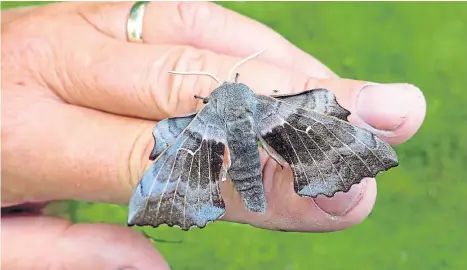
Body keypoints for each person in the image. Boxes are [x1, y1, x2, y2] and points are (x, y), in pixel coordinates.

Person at [1, 1, 426, 269]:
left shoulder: (202, 118)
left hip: (208, 136)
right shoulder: (268, 103)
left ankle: (204, 192)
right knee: (314, 141)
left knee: (176, 169)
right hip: (271, 117)